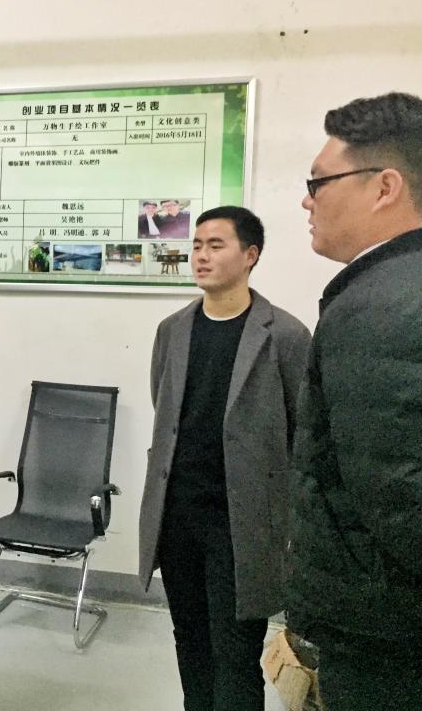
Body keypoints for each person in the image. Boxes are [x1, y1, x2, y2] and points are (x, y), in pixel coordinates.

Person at [288, 92, 422, 710]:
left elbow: (397, 502)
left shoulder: (380, 309)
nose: (307, 200)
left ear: (385, 187)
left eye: (319, 182)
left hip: (390, 632)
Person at [138, 206, 311, 711]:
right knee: (190, 643)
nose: (201, 255)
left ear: (250, 255)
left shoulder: (284, 335)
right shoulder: (173, 330)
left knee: (235, 657)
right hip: (178, 517)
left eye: (216, 245)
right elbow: (165, 410)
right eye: (196, 245)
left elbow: (303, 432)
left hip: (242, 525)